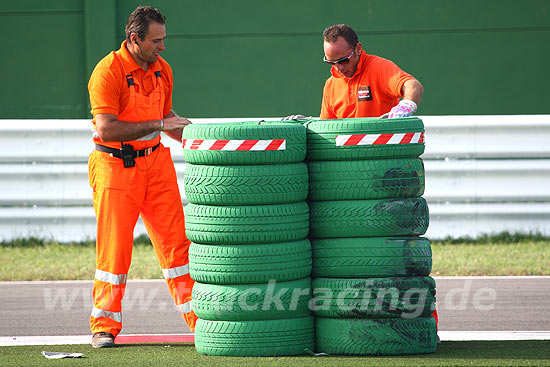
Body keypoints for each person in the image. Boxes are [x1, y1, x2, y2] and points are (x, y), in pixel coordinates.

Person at [87, 6, 196, 348]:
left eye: (163, 39)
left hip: (156, 165)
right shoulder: (108, 71)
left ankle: (199, 320)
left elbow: (167, 117)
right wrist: (159, 125)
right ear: (134, 39)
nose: (162, 47)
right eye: (156, 41)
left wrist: (201, 141)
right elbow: (106, 128)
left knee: (178, 246)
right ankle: (103, 325)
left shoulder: (163, 69)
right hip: (115, 167)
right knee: (115, 253)